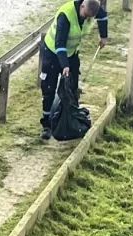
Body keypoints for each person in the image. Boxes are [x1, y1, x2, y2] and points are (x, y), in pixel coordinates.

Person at [40, 0, 109, 140]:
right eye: (85, 15)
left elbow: (103, 17)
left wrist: (103, 36)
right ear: (82, 5)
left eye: (90, 17)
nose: (87, 18)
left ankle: (71, 116)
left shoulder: (93, 7)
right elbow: (59, 43)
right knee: (49, 88)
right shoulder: (65, 15)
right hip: (53, 52)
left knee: (72, 87)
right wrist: (65, 65)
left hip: (71, 53)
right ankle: (46, 124)